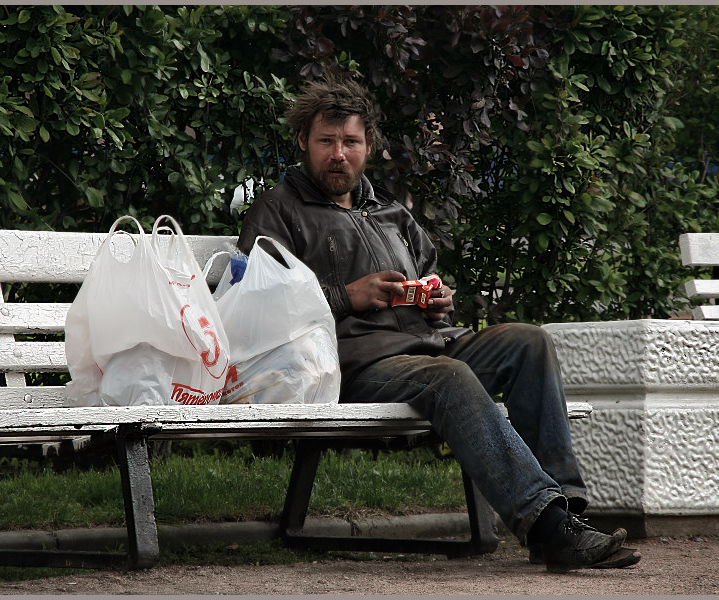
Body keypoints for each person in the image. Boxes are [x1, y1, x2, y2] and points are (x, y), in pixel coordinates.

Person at [237, 76, 641, 573]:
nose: (338, 154)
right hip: (356, 365)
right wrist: (347, 295)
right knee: (449, 377)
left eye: (351, 142)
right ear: (304, 142)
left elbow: (428, 277)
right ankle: (548, 526)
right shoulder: (278, 211)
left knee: (529, 342)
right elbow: (257, 306)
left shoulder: (389, 212)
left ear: (369, 146)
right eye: (326, 141)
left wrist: (438, 300)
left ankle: (567, 514)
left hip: (431, 344)